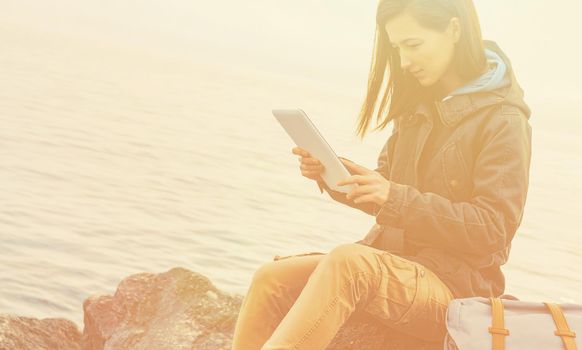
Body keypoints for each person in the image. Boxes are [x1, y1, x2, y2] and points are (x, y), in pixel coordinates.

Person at [232, 0, 532, 348]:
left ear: (453, 29)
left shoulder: (504, 121)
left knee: (348, 262)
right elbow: (386, 187)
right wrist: (332, 174)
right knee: (272, 277)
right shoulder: (422, 106)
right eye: (397, 48)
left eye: (413, 45)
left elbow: (493, 231)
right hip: (395, 263)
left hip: (455, 289)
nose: (404, 61)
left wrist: (393, 196)